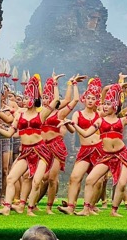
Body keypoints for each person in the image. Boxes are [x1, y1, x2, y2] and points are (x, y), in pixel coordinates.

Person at [69, 81, 127, 217]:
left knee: (121, 183)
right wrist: (73, 124)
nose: (104, 107)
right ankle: (86, 209)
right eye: (104, 104)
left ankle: (114, 211)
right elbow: (86, 133)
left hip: (121, 155)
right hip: (105, 156)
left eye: (108, 104)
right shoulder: (100, 121)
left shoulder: (121, 120)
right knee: (89, 180)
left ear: (115, 106)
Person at [0, 74, 58, 216]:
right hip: (26, 151)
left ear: (34, 100)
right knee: (11, 178)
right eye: (25, 98)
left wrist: (54, 83)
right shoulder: (19, 115)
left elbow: (55, 101)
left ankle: (29, 208)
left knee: (36, 181)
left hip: (40, 151)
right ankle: (7, 208)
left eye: (28, 98)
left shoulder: (41, 114)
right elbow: (10, 133)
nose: (25, 101)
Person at [58, 77, 103, 215]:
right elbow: (72, 130)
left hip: (99, 149)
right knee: (75, 177)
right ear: (84, 99)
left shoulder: (99, 114)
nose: (90, 100)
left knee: (99, 181)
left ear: (96, 101)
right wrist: (68, 124)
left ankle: (89, 206)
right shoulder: (78, 114)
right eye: (88, 98)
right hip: (85, 150)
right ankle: (71, 206)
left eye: (93, 98)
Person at [39, 74, 81, 214]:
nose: (46, 100)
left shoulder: (60, 114)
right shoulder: (40, 114)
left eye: (49, 97)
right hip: (43, 148)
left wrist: (72, 84)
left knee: (52, 178)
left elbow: (73, 100)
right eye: (44, 97)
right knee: (41, 178)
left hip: (56, 146)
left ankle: (49, 207)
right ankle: (31, 203)